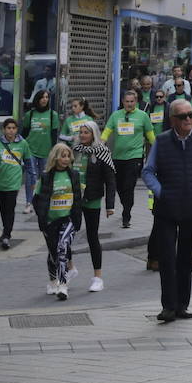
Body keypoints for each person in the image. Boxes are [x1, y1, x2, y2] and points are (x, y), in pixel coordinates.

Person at [143, 99, 192, 323]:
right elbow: (148, 172)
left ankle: (182, 305)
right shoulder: (162, 141)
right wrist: (161, 192)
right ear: (172, 120)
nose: (188, 119)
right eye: (183, 116)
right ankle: (168, 306)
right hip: (166, 210)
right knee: (167, 259)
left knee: (186, 259)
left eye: (191, 115)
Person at [33, 143, 83, 301]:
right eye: (63, 156)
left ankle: (63, 285)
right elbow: (36, 199)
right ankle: (53, 281)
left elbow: (78, 197)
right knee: (53, 252)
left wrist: (77, 217)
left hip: (68, 219)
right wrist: (43, 217)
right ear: (55, 157)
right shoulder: (46, 176)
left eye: (68, 156)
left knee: (62, 247)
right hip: (50, 221)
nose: (66, 159)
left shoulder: (74, 175)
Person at [71, 123, 116, 292]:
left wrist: (109, 205)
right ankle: (70, 268)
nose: (82, 135)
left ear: (94, 134)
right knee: (65, 234)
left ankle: (97, 277)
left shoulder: (102, 152)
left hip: (92, 198)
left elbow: (110, 180)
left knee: (92, 237)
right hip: (73, 199)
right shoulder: (74, 150)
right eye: (81, 132)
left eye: (86, 132)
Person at [102, 89, 156, 229]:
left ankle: (127, 214)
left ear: (136, 102)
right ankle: (126, 205)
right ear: (123, 102)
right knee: (119, 186)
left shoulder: (143, 116)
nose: (130, 104)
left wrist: (158, 150)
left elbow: (150, 136)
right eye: (127, 101)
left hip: (135, 156)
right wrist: (99, 145)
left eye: (132, 101)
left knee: (129, 186)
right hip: (117, 157)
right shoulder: (116, 116)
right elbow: (106, 133)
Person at [0, 117, 32, 249]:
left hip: (14, 182)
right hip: (0, 182)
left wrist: (33, 177)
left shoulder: (23, 144)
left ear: (17, 130)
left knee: (10, 209)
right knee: (3, 210)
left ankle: (7, 235)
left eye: (13, 128)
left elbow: (28, 161)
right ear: (4, 130)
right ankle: (5, 231)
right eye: (8, 128)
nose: (11, 131)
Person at [20, 89, 60, 213]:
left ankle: (43, 202)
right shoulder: (30, 114)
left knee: (45, 178)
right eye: (42, 97)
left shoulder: (53, 115)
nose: (45, 99)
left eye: (47, 97)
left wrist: (54, 151)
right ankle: (28, 202)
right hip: (30, 150)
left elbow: (54, 135)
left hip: (46, 151)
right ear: (37, 99)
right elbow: (24, 133)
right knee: (30, 177)